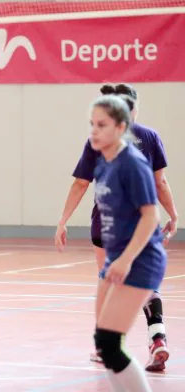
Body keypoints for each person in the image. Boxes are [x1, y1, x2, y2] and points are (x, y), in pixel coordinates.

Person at [55, 84, 176, 371]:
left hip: (111, 222)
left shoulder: (107, 145)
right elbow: (160, 182)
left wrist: (63, 219)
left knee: (110, 278)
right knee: (143, 283)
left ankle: (105, 343)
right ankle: (154, 335)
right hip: (126, 224)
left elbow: (81, 183)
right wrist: (173, 212)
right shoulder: (148, 137)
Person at [86, 94, 166, 392]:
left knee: (108, 342)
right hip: (117, 260)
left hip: (141, 262)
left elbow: (149, 216)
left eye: (102, 125)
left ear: (121, 127)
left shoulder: (132, 164)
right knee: (105, 344)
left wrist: (126, 259)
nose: (94, 131)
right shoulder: (104, 163)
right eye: (92, 124)